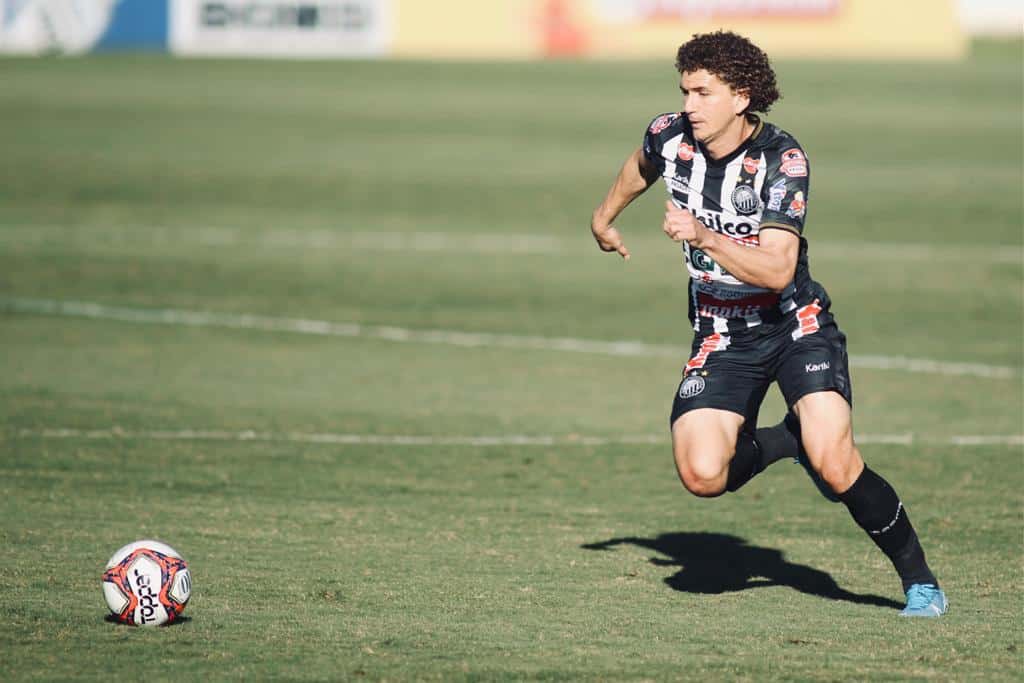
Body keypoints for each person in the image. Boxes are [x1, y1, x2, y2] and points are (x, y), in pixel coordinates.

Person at [589, 30, 947, 617]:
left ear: (741, 95)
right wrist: (604, 217)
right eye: (684, 91)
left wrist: (704, 234)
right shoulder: (669, 134)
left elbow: (779, 270)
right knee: (703, 475)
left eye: (703, 93)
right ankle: (788, 441)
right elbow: (641, 162)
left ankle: (920, 581)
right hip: (721, 334)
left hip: (794, 325)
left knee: (836, 466)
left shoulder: (781, 160)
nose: (689, 105)